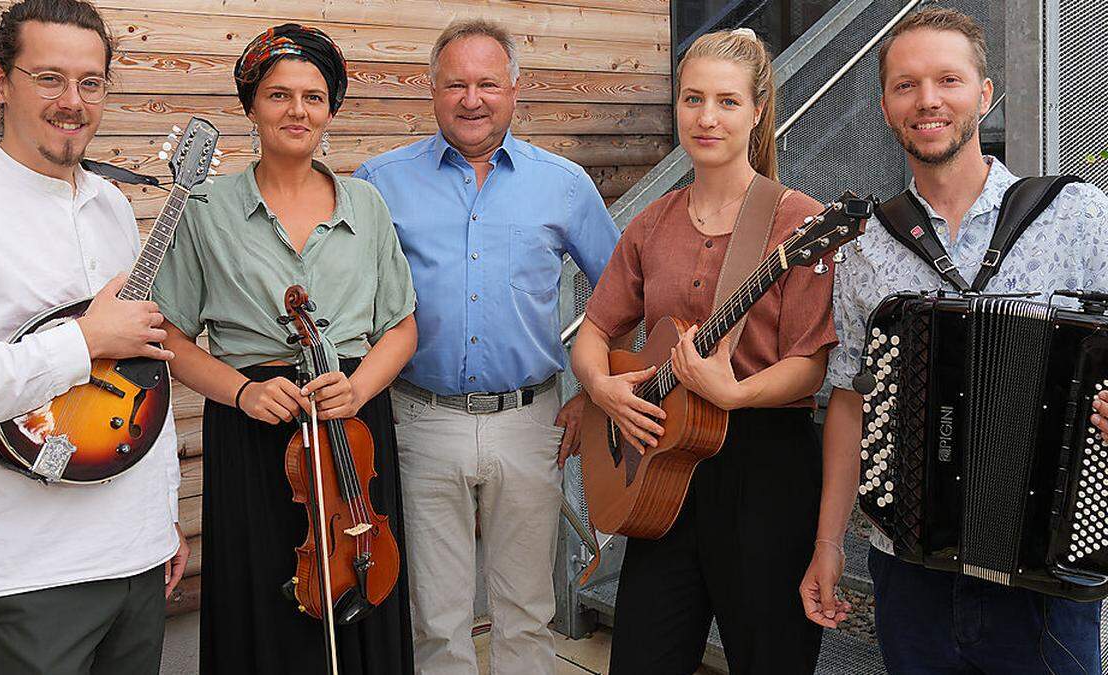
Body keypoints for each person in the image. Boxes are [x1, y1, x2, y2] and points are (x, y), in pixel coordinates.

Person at [800, 8, 1108, 672]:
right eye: (905, 85)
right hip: (910, 570)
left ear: (984, 94)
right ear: (885, 106)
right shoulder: (866, 248)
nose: (928, 100)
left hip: (1045, 575)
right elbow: (851, 400)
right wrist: (829, 542)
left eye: (948, 79)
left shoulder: (1077, 215)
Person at [0, 0, 187, 672]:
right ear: (1, 82)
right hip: (28, 574)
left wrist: (163, 512)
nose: (73, 102)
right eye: (49, 78)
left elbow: (144, 370)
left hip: (138, 555)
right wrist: (81, 341)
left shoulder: (113, 207)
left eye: (91, 82)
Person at [353, 18, 620, 673]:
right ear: (432, 91)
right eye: (456, 84)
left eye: (487, 84)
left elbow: (621, 295)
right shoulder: (378, 183)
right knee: (436, 621)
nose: (471, 99)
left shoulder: (562, 183)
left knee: (527, 615)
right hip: (420, 418)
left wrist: (594, 391)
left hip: (532, 421)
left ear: (514, 91)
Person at [150, 23, 418, 675]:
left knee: (361, 584)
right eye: (278, 95)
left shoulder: (368, 205)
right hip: (253, 426)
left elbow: (402, 326)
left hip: (351, 423)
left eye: (314, 96)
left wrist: (359, 387)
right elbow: (172, 339)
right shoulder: (206, 208)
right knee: (263, 601)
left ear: (331, 109)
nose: (298, 111)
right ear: (250, 106)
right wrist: (242, 390)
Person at [571, 28, 837, 674]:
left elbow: (812, 362)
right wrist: (603, 388)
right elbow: (593, 332)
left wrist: (736, 391)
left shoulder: (798, 221)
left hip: (765, 467)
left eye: (726, 101)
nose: (707, 118)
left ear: (756, 110)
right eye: (693, 100)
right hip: (665, 468)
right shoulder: (653, 220)